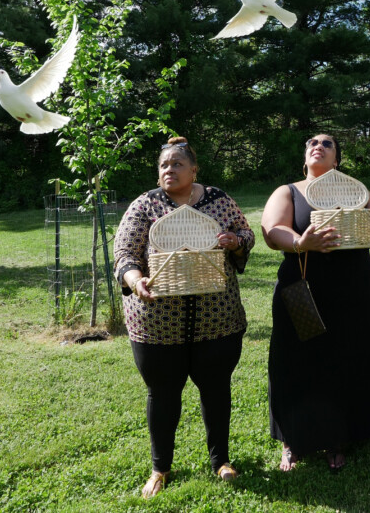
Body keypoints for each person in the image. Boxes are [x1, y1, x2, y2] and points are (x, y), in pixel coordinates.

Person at [113, 137, 255, 498]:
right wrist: (135, 280)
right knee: (162, 394)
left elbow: (246, 232)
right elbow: (125, 253)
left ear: (194, 170)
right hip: (157, 323)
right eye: (163, 165)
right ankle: (160, 468)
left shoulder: (218, 200)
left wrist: (235, 242)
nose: (169, 170)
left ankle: (220, 460)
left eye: (177, 164)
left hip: (217, 319)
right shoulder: (145, 205)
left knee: (216, 389)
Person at [261, 133, 370, 472]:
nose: (317, 146)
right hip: (303, 288)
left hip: (353, 291)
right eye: (310, 143)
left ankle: (338, 438)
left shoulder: (357, 190)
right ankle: (294, 441)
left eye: (327, 143)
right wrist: (300, 242)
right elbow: (271, 229)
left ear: (337, 160)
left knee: (346, 360)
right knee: (296, 361)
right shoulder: (289, 191)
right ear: (304, 157)